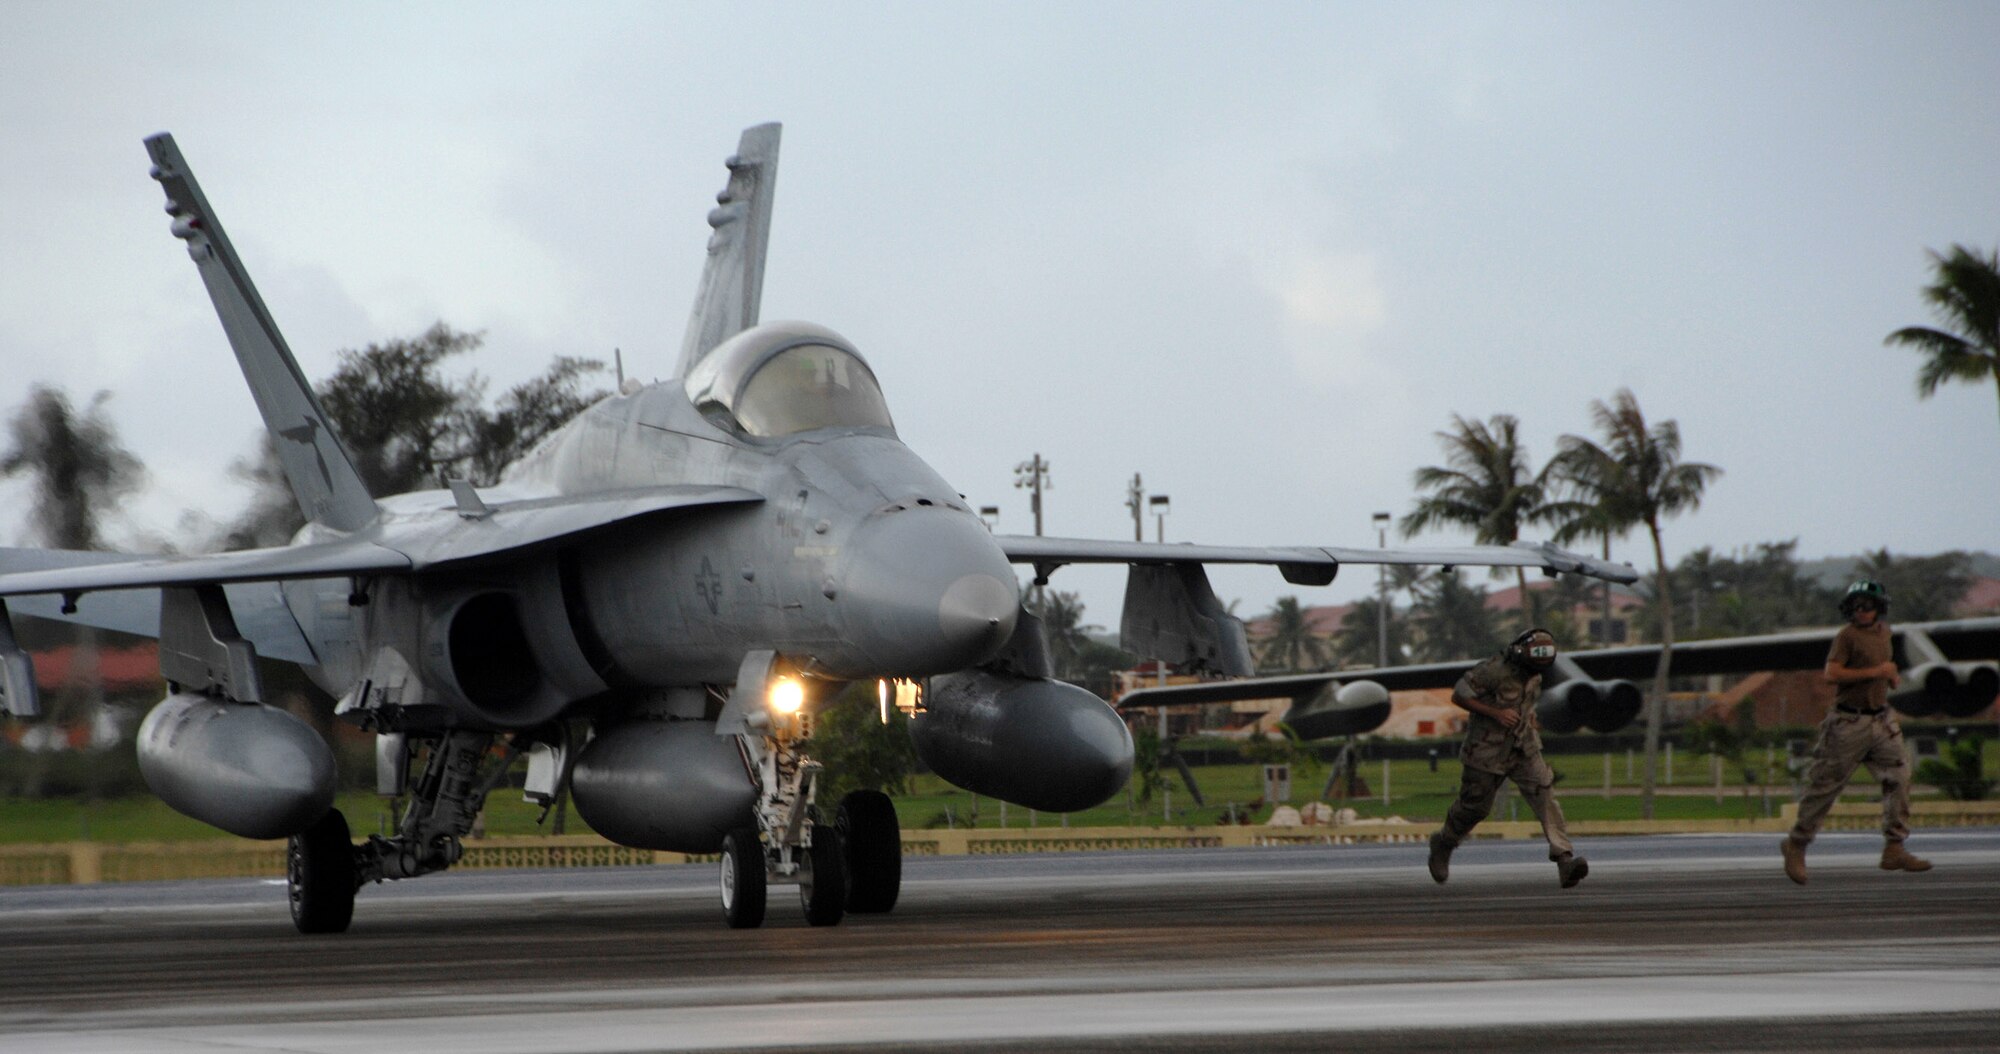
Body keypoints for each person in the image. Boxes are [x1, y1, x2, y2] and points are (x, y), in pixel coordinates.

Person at [1781, 580, 1932, 884]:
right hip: (1848, 724)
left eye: (1868, 606)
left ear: (1879, 609)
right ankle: (1796, 844)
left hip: (1881, 721)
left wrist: (1889, 678)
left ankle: (1894, 847)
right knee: (1825, 787)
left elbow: (1884, 665)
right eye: (1856, 606)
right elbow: (1831, 673)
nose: (1861, 611)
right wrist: (1877, 672)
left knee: (1899, 778)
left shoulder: (1885, 633)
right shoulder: (1846, 636)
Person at [1427, 628, 1587, 888]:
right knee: (1474, 808)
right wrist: (1494, 712)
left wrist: (1530, 718)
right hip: (1487, 751)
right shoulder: (1492, 670)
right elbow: (1459, 695)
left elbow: (1526, 701)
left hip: (1523, 747)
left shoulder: (1536, 673)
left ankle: (1564, 860)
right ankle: (1444, 842)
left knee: (1544, 797)